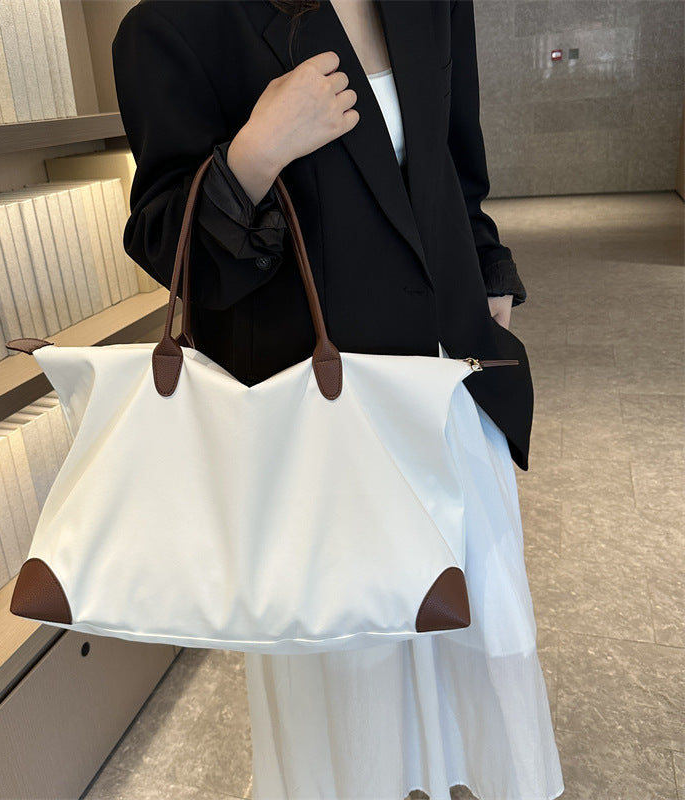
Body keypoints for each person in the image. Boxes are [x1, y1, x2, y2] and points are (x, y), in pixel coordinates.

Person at [112, 1, 565, 798]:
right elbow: (164, 236)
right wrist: (254, 155)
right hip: (318, 422)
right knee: (351, 677)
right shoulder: (177, 23)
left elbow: (456, 162)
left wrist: (489, 273)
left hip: (448, 390)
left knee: (477, 634)